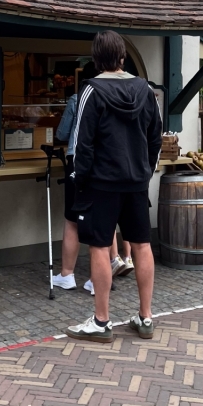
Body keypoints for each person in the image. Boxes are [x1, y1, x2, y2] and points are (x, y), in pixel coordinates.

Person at [66, 30, 162, 343]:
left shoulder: (90, 91)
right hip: (136, 182)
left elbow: (82, 144)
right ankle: (146, 317)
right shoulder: (145, 90)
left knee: (99, 246)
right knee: (141, 245)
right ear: (122, 57)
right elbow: (154, 137)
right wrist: (144, 173)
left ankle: (101, 321)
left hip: (101, 183)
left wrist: (80, 182)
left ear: (96, 60)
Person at [52, 65, 134, 293]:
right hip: (107, 164)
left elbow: (62, 134)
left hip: (78, 161)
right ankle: (96, 278)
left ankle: (67, 274)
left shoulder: (78, 98)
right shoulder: (121, 96)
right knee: (103, 220)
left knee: (72, 218)